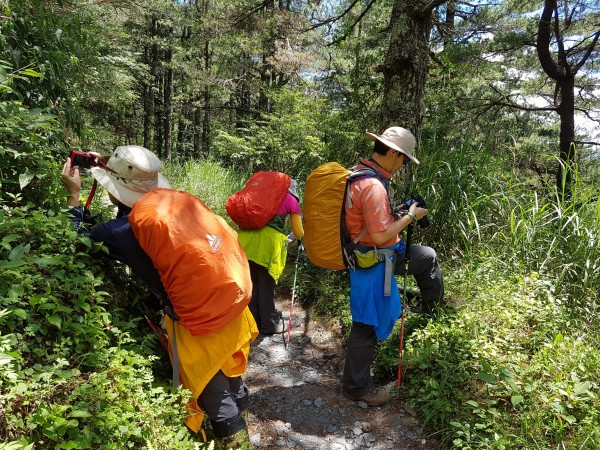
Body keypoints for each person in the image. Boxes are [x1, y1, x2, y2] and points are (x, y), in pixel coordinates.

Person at [61, 145, 257, 449]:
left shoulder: (120, 230)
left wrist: (73, 195)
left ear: (114, 189)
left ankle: (239, 444)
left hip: (199, 324)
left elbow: (75, 237)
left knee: (214, 394)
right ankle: (244, 422)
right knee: (232, 376)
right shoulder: (174, 205)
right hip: (232, 301)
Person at [342, 127, 444, 407]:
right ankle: (356, 387)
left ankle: (432, 310)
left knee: (426, 257)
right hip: (375, 259)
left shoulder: (361, 174)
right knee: (365, 323)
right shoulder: (373, 185)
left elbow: (372, 223)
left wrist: (398, 213)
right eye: (403, 159)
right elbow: (379, 235)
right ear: (392, 153)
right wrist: (410, 216)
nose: (402, 165)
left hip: (367, 257)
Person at [237, 178, 304, 335]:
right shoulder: (290, 199)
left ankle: (253, 323)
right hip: (267, 247)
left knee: (252, 284)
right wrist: (289, 239)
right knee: (266, 287)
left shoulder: (257, 195)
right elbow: (299, 232)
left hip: (244, 242)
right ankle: (268, 325)